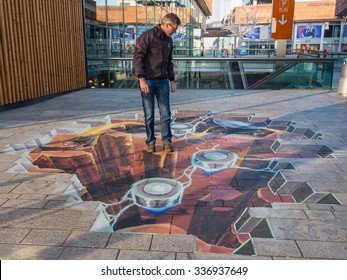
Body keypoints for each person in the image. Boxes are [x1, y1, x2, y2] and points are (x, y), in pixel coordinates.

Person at [133, 13, 181, 153]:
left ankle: (167, 141)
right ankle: (151, 142)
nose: (175, 31)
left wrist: (171, 80)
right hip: (147, 81)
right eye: (174, 28)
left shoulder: (169, 41)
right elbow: (138, 58)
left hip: (163, 82)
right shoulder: (148, 36)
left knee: (166, 113)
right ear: (167, 25)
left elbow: (169, 61)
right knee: (149, 114)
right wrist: (141, 79)